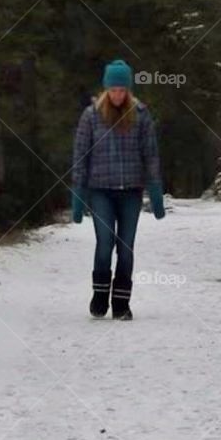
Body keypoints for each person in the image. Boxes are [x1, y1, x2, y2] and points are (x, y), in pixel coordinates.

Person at [70, 59, 165, 320]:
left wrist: (155, 193)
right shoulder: (91, 116)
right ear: (106, 89)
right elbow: (80, 156)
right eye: (113, 89)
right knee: (104, 243)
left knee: (125, 247)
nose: (117, 94)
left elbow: (151, 155)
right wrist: (78, 197)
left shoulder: (141, 115)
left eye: (122, 90)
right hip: (100, 190)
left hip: (131, 192)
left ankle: (121, 303)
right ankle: (100, 295)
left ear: (128, 90)